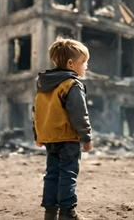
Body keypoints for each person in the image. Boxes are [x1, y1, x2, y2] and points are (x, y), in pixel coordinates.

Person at [33, 37, 93, 220]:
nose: (86, 67)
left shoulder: (44, 84)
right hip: (67, 139)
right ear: (70, 63)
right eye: (83, 62)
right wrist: (86, 137)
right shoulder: (72, 84)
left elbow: (37, 111)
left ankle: (50, 213)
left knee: (52, 174)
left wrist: (38, 135)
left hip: (50, 138)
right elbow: (79, 113)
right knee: (68, 174)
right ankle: (67, 212)